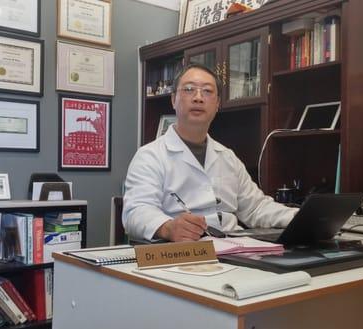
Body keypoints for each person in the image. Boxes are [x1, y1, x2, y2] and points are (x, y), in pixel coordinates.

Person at [122, 63, 299, 242]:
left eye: (207, 91)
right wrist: (168, 227)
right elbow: (136, 212)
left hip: (236, 249)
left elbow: (256, 208)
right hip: (183, 253)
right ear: (173, 99)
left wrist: (300, 217)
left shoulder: (228, 156)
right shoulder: (150, 156)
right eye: (189, 89)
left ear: (217, 104)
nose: (198, 97)